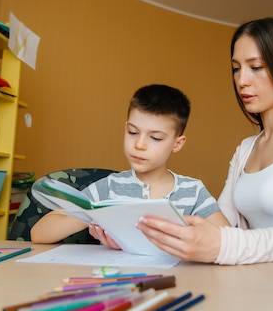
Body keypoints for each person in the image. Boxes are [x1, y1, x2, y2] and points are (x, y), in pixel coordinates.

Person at [136, 17, 273, 264]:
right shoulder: (246, 149)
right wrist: (144, 237)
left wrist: (223, 245)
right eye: (236, 68)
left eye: (256, 67)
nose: (242, 80)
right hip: (256, 284)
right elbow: (220, 222)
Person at [30, 84, 229, 245]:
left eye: (156, 138)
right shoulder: (108, 188)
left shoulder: (193, 191)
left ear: (177, 144)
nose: (139, 144)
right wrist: (92, 213)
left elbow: (229, 240)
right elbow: (38, 234)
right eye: (133, 132)